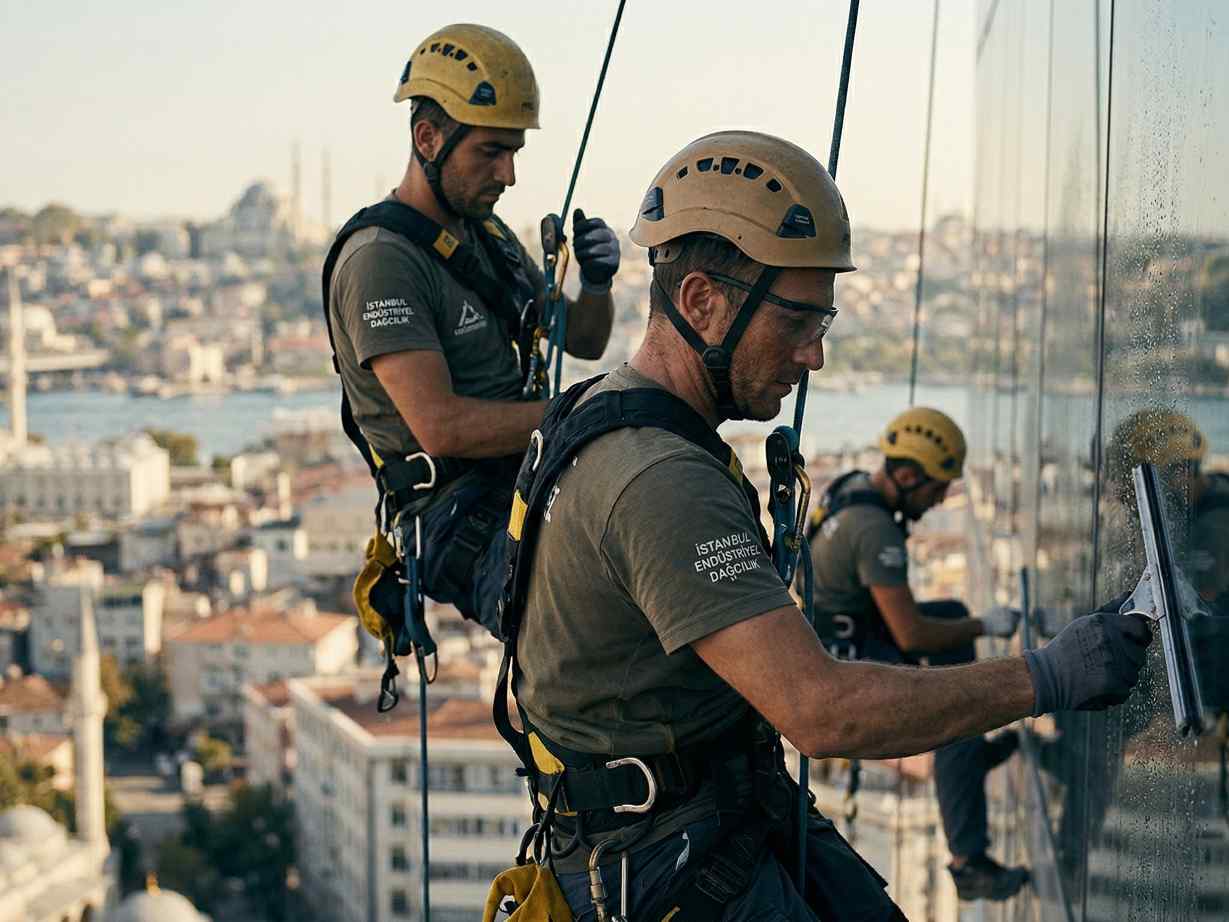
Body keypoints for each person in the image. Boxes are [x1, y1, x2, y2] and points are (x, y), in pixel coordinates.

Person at [493, 130, 1152, 921]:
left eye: (824, 322)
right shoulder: (658, 478)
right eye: (798, 321)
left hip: (697, 825)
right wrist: (1047, 676)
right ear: (701, 301)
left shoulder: (601, 413)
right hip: (672, 860)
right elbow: (822, 711)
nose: (815, 356)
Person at [321, 24, 617, 643]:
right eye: (490, 152)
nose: (508, 174)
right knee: (594, 621)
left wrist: (595, 284)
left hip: (519, 472)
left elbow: (581, 340)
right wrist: (582, 412)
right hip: (454, 512)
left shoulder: (489, 238)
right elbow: (441, 427)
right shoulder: (383, 260)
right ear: (428, 138)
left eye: (514, 152)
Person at [804, 409, 1028, 901]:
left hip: (842, 636)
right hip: (849, 659)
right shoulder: (875, 530)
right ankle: (969, 861)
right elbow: (915, 634)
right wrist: (985, 625)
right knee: (955, 707)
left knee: (948, 612)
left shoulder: (854, 488)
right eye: (936, 487)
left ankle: (966, 758)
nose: (943, 497)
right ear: (906, 476)